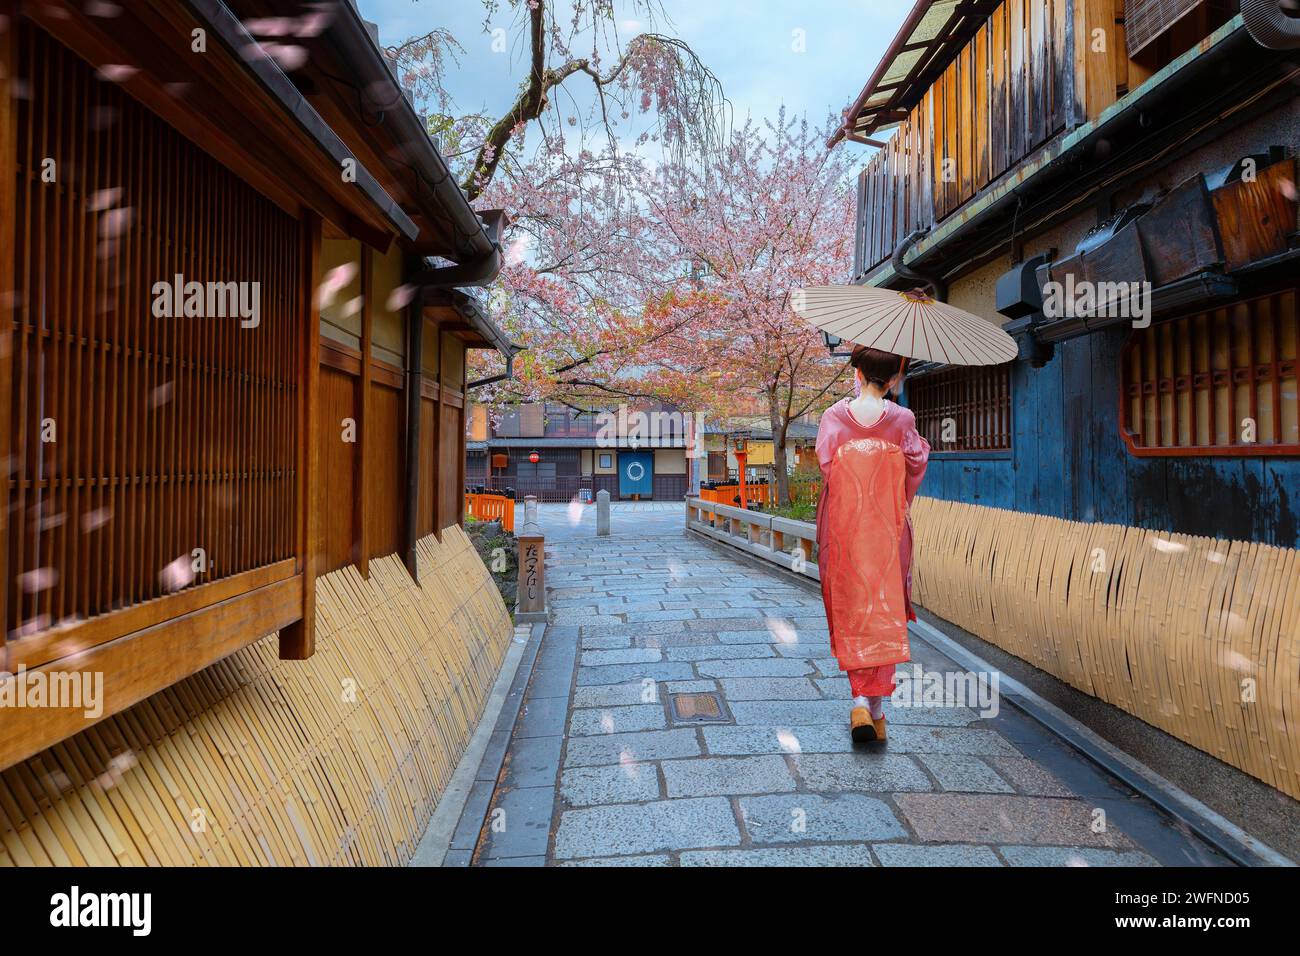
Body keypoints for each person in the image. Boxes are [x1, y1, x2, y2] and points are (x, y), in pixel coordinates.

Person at [814, 345, 930, 743]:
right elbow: (915, 463)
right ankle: (873, 707)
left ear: (857, 373)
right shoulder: (902, 419)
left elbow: (829, 466)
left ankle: (862, 702)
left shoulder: (833, 417)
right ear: (896, 379)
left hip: (844, 529)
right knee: (885, 607)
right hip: (887, 530)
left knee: (851, 606)